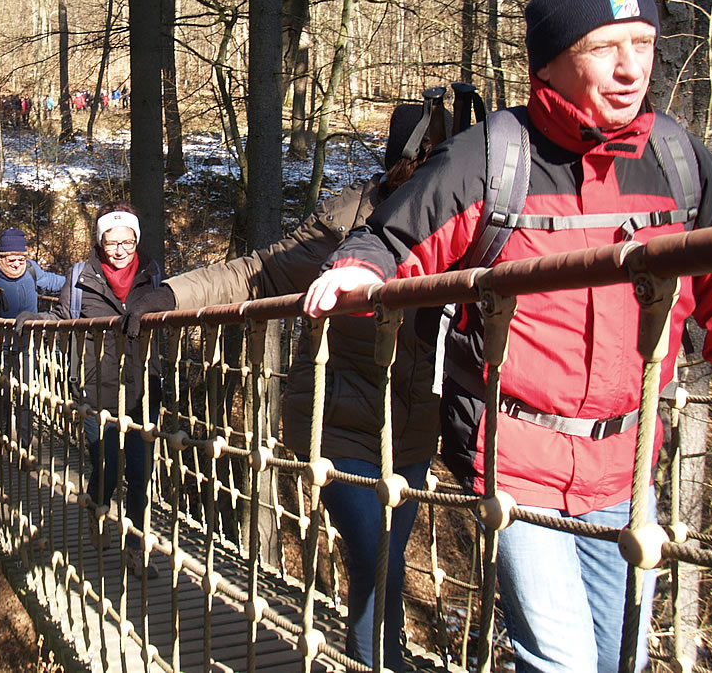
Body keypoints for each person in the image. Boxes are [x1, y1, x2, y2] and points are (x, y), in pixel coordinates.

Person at [301, 0, 712, 673]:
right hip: (518, 456)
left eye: (643, 45)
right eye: (603, 48)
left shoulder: (678, 162)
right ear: (551, 62)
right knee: (561, 659)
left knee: (618, 659)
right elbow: (393, 234)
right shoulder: (494, 157)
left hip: (627, 463)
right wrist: (360, 266)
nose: (631, 68)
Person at [121, 103, 449, 666]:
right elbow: (264, 270)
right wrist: (171, 294)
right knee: (379, 562)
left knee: (385, 580)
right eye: (436, 157)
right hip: (339, 426)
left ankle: (379, 655)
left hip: (413, 433)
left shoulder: (464, 218)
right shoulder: (354, 218)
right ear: (409, 161)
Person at [32, 204, 165, 576]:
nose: (120, 250)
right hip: (95, 388)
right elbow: (62, 318)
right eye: (111, 242)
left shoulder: (153, 275)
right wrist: (36, 321)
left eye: (127, 241)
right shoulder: (81, 277)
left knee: (140, 474)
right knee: (106, 464)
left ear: (137, 240)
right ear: (99, 241)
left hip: (142, 389)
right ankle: (97, 506)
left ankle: (136, 549)